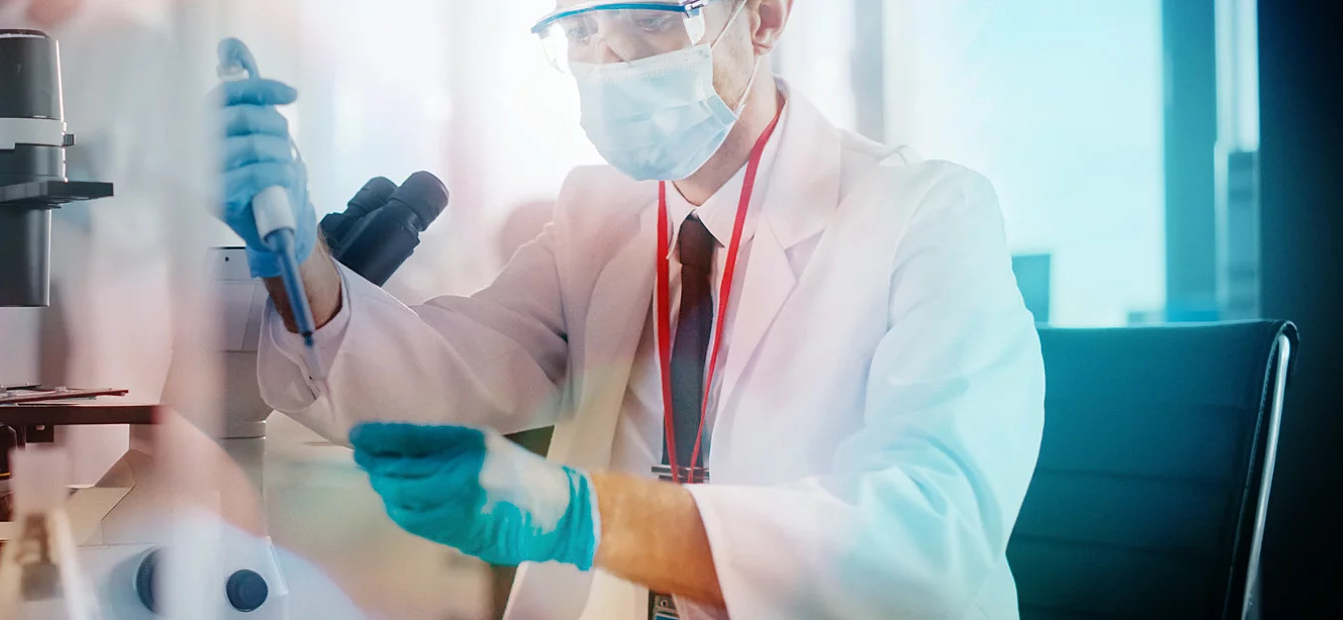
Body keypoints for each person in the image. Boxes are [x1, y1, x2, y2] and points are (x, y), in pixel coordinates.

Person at [218, 1, 1045, 618]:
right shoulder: (598, 215)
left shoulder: (925, 215)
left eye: (650, 19)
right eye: (582, 29)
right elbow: (440, 377)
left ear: (763, 16)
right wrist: (298, 256)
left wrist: (589, 518)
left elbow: (932, 536)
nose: (610, 58)